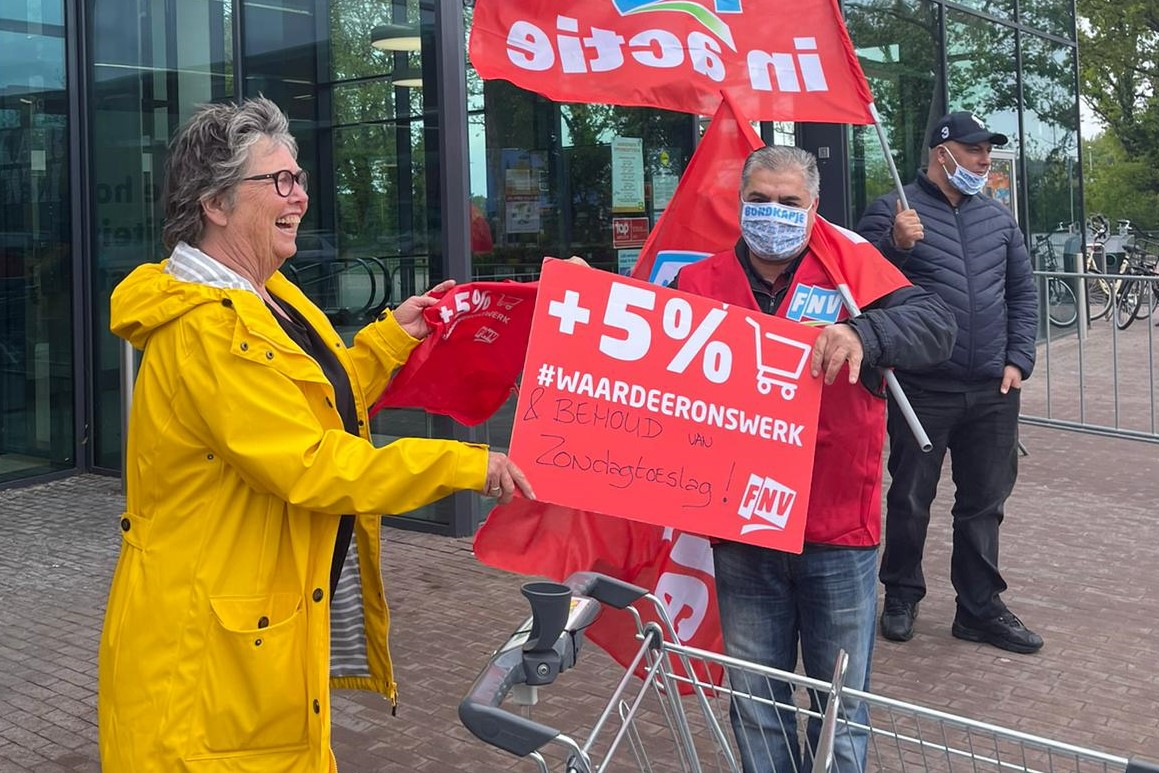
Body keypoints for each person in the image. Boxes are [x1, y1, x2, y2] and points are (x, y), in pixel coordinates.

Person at [97, 97, 533, 772]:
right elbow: (309, 461)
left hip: (256, 642)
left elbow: (310, 403)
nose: (299, 194)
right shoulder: (207, 329)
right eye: (279, 180)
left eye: (298, 178)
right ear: (214, 203)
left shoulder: (269, 293)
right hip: (201, 664)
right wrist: (463, 465)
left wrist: (393, 336)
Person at [672, 145, 956, 773]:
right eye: (760, 201)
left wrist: (864, 333)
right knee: (755, 703)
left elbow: (937, 325)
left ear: (814, 207)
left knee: (840, 708)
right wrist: (578, 292)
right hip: (742, 531)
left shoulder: (851, 269)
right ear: (739, 204)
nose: (773, 213)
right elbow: (633, 347)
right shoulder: (695, 284)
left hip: (835, 531)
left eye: (789, 203)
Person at [856, 111, 1042, 654]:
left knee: (984, 502)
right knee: (912, 497)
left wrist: (1018, 359)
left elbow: (1022, 294)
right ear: (943, 153)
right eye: (975, 149)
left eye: (987, 150)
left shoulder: (997, 219)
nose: (985, 160)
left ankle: (979, 608)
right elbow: (858, 287)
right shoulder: (892, 212)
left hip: (993, 389)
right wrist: (895, 245)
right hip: (921, 387)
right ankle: (901, 594)